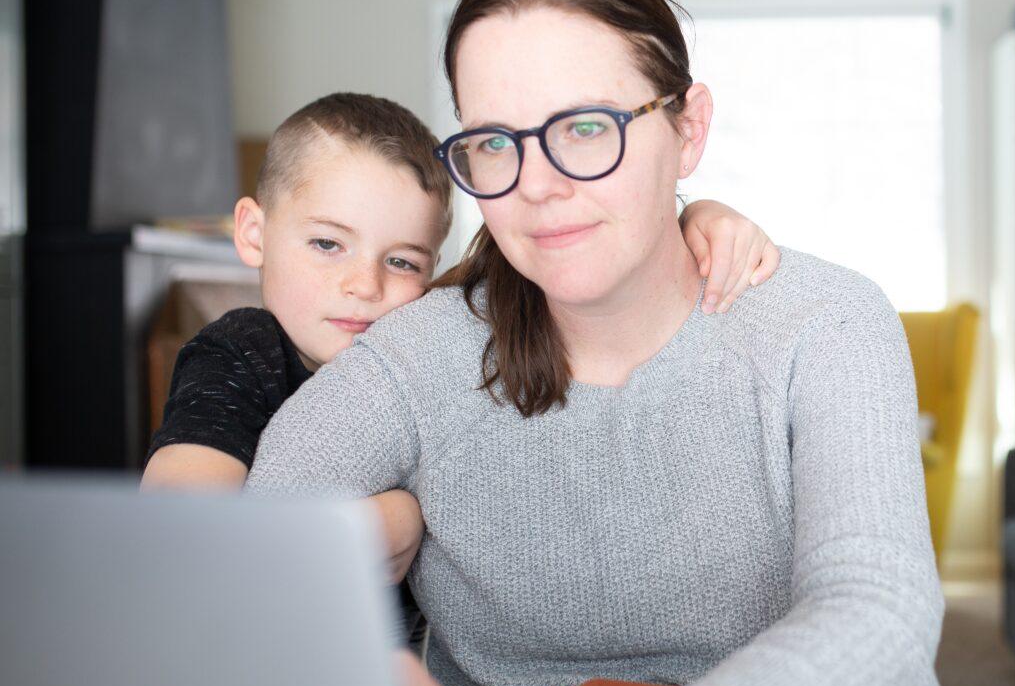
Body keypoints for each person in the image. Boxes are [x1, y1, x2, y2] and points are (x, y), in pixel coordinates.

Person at [246, 0, 942, 686]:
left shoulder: (825, 324)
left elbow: (881, 617)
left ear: (688, 131)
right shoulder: (420, 351)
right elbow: (253, 550)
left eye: (586, 128)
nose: (537, 186)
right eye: (496, 143)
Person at [141, 91, 780, 583]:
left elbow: (540, 275)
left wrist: (700, 217)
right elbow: (180, 532)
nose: (363, 285)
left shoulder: (429, 342)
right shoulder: (241, 352)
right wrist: (392, 520)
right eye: (327, 244)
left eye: (402, 262)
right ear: (253, 234)